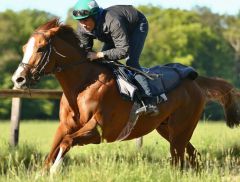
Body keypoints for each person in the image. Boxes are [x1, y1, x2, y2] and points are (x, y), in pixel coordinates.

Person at [72, 0, 159, 116]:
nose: (83, 24)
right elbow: (85, 51)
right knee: (102, 62)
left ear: (95, 16)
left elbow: (123, 51)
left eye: (85, 20)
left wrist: (98, 54)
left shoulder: (113, 21)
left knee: (131, 62)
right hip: (115, 33)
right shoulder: (83, 28)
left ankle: (149, 102)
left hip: (136, 26)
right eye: (80, 21)